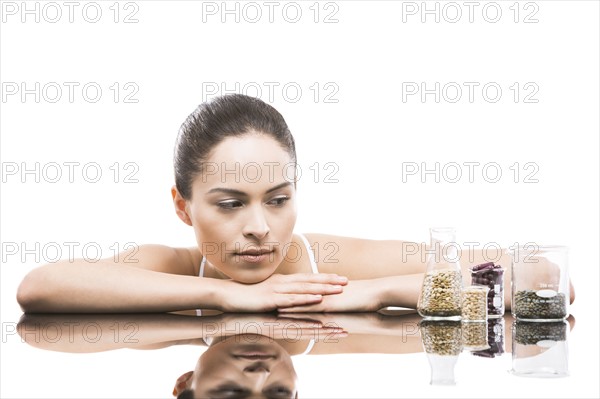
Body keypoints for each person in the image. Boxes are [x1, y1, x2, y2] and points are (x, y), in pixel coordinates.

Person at [16, 94, 575, 313]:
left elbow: (547, 280)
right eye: (230, 204)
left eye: (277, 200)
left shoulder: (321, 263)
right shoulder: (173, 267)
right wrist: (224, 294)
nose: (260, 227)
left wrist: (381, 290)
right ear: (183, 207)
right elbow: (39, 288)